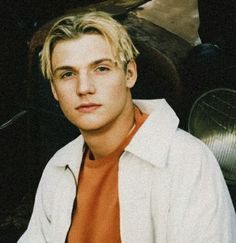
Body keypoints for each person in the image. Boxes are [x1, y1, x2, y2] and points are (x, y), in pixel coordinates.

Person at [18, 11, 236, 243]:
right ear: (54, 90)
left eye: (101, 68)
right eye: (68, 74)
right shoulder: (58, 168)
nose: (84, 88)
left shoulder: (187, 160)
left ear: (129, 74)